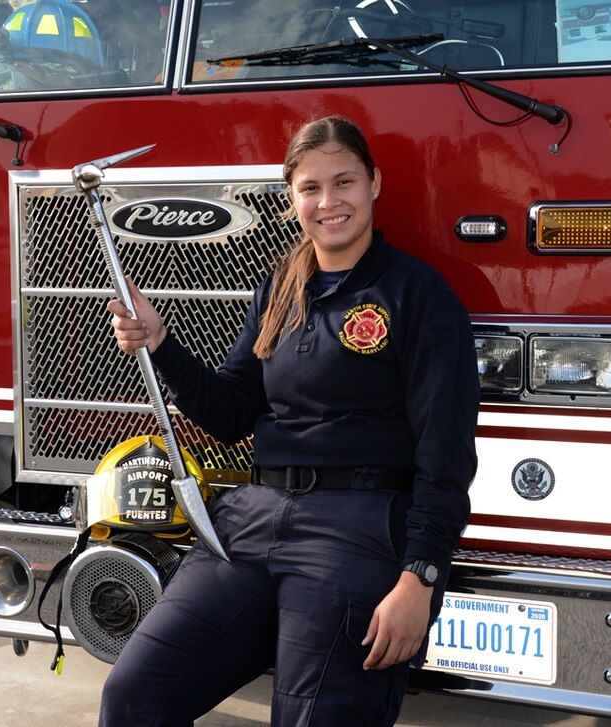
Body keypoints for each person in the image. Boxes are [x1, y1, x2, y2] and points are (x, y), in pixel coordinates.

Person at [98, 115, 479, 726]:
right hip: (252, 522)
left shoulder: (418, 295)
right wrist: (162, 343)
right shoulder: (281, 286)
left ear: (374, 185)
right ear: (291, 196)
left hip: (356, 530)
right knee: (135, 694)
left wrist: (420, 578)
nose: (329, 202)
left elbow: (446, 454)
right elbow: (230, 413)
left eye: (344, 182)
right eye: (310, 188)